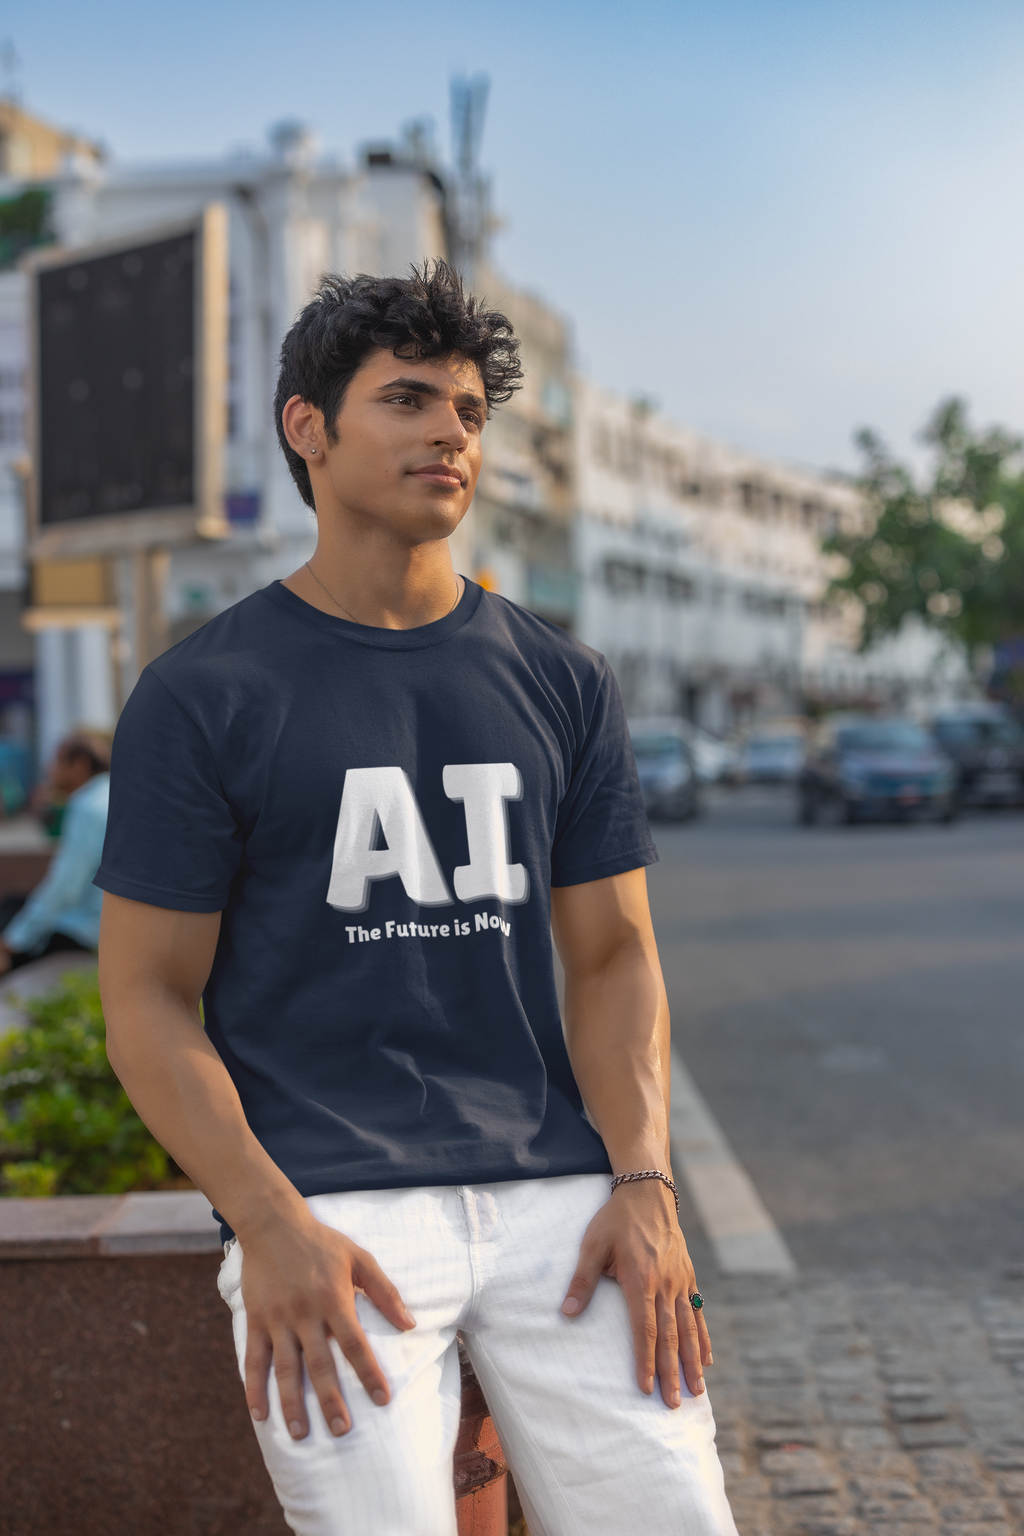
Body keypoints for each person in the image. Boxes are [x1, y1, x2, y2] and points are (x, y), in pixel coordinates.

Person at [96, 263, 737, 1536]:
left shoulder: (562, 679)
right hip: (329, 1206)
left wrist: (647, 1186)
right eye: (406, 400)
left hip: (563, 1196)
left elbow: (612, 959)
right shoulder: (204, 694)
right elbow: (147, 999)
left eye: (466, 410)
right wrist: (266, 1225)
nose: (451, 431)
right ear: (308, 429)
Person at [0, 731, 110, 973]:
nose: (50, 771)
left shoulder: (88, 808)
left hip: (84, 929)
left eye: (56, 762)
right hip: (102, 920)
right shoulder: (107, 795)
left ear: (79, 764)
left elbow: (65, 887)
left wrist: (13, 942)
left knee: (10, 919)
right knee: (14, 903)